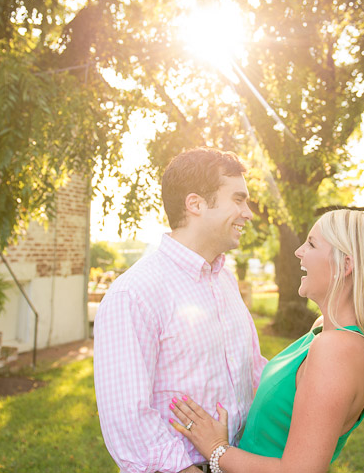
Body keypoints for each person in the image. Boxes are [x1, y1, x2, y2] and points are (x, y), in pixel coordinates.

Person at [168, 209, 364, 473]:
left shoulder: (338, 350)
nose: (298, 252)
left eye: (311, 244)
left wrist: (216, 449)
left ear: (345, 265)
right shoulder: (324, 331)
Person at [94, 148, 269, 473]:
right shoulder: (134, 293)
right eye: (238, 199)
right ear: (196, 204)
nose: (248, 212)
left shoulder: (224, 279)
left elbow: (253, 371)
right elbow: (128, 419)